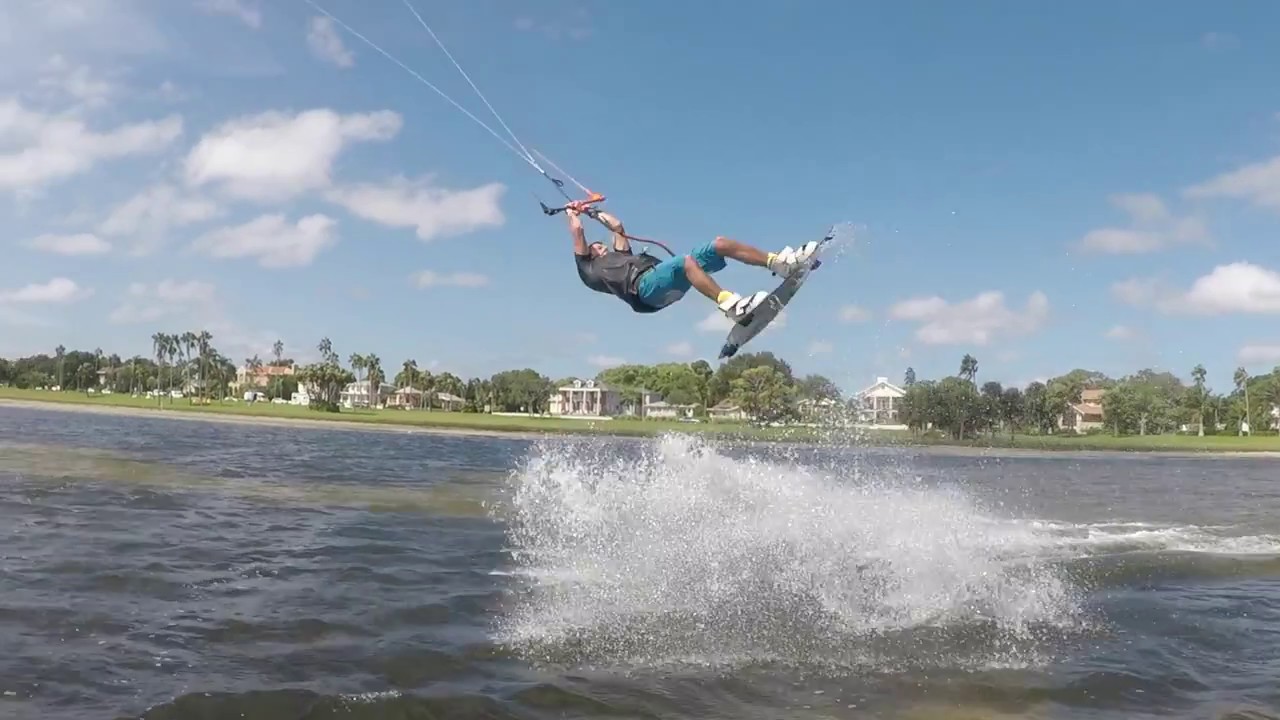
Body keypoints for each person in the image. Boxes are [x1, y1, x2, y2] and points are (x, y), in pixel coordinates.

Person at [566, 201, 818, 323]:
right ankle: (731, 305)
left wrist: (592, 212)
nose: (601, 245)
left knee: (720, 244)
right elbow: (577, 233)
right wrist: (573, 213)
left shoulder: (619, 254)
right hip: (644, 291)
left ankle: (780, 263)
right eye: (595, 246)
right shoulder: (588, 270)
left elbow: (618, 226)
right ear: (589, 253)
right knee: (685, 261)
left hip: (663, 280)